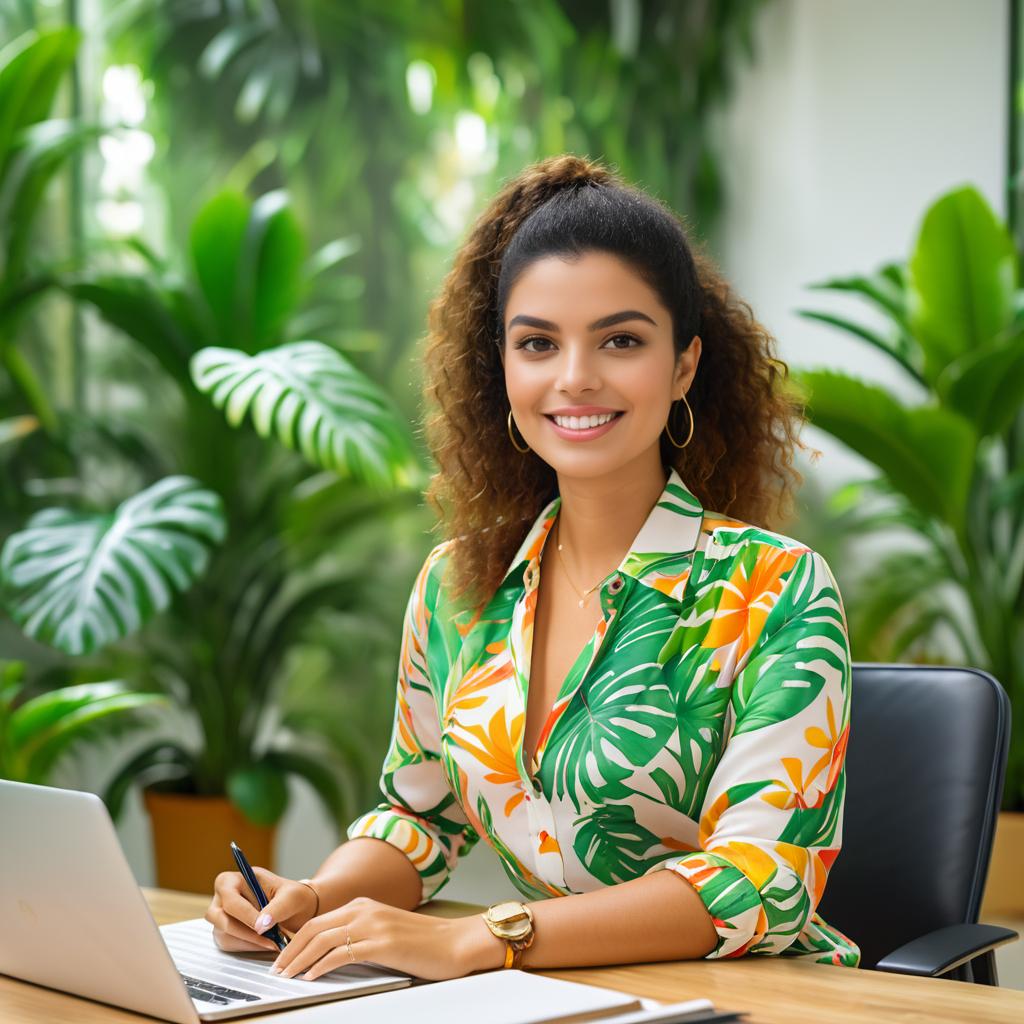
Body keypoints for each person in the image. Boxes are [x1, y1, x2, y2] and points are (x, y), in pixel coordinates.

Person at [206, 153, 861, 981]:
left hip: (758, 999)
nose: (575, 379)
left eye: (620, 340)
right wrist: (313, 896)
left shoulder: (776, 588)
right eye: (537, 344)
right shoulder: (456, 590)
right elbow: (421, 819)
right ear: (503, 370)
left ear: (684, 365)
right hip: (550, 996)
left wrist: (482, 939)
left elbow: (758, 881)